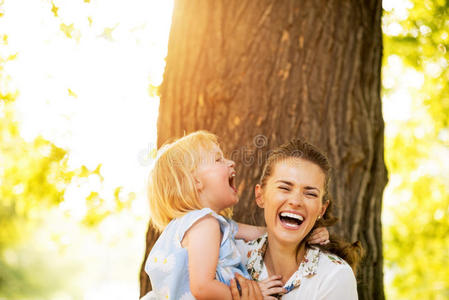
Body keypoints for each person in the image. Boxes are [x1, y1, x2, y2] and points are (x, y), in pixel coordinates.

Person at [142, 131, 329, 300]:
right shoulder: (204, 224)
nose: (231, 162)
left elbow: (267, 232)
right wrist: (252, 294)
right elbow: (202, 287)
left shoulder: (206, 224)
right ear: (196, 181)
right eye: (218, 160)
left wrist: (308, 233)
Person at [236, 138, 363, 299]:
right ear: (260, 195)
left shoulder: (334, 276)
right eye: (284, 187)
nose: (295, 201)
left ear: (321, 210)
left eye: (310, 193)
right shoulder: (232, 258)